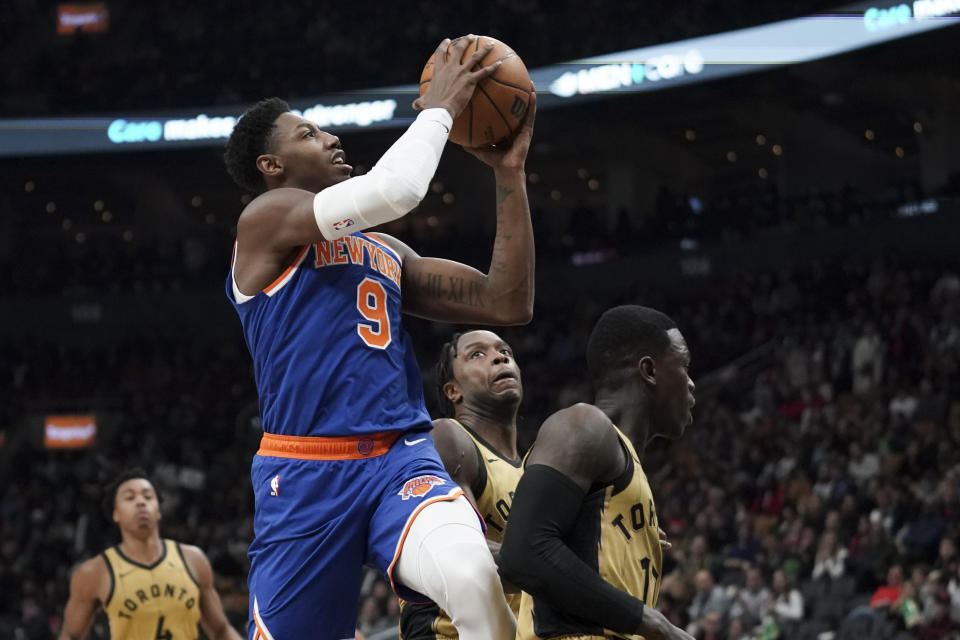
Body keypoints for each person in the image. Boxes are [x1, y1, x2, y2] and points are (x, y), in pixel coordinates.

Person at [222, 35, 536, 640]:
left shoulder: (383, 251)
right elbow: (396, 190)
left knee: (474, 578)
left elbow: (507, 300)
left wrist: (509, 175)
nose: (332, 138)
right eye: (309, 134)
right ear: (272, 167)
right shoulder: (261, 225)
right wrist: (439, 106)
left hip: (400, 458)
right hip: (305, 474)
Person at [500, 305, 696, 640]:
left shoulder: (623, 470)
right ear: (649, 370)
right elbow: (522, 552)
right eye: (684, 366)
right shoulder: (583, 425)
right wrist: (656, 624)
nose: (691, 384)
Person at [400, 329, 525, 638]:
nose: (499, 356)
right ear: (453, 391)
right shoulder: (449, 438)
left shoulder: (531, 469)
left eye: (505, 350)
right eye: (477, 354)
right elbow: (461, 552)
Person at [58, 469, 244, 640]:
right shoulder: (94, 572)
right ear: (116, 514)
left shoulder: (193, 559)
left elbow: (221, 630)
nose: (141, 502)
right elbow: (71, 635)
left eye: (148, 496)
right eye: (129, 498)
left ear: (158, 510)